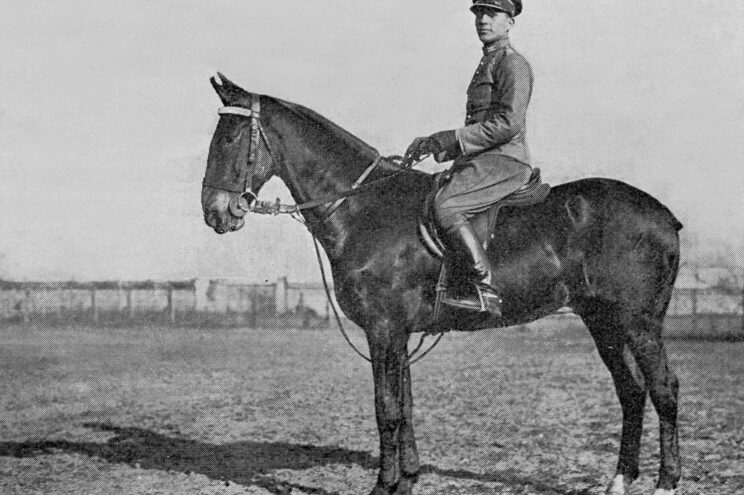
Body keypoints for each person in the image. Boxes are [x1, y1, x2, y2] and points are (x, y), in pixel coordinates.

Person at [405, 0, 533, 315]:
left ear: (510, 21)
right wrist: (436, 144)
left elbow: (508, 124)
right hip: (483, 160)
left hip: (505, 160)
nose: (483, 20)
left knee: (446, 205)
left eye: (492, 14)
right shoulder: (489, 61)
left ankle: (485, 288)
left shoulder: (512, 64)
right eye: (479, 13)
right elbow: (479, 124)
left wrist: (454, 137)